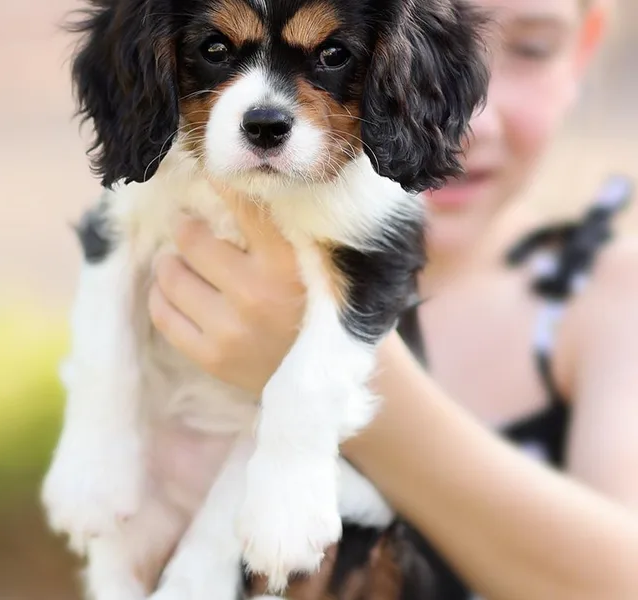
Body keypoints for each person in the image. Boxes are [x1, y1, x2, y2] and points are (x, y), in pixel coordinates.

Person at [131, 0, 638, 597]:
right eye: (391, 51)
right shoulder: (184, 265)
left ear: (583, 49)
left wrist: (341, 373)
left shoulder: (609, 296)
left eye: (531, 48)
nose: (472, 121)